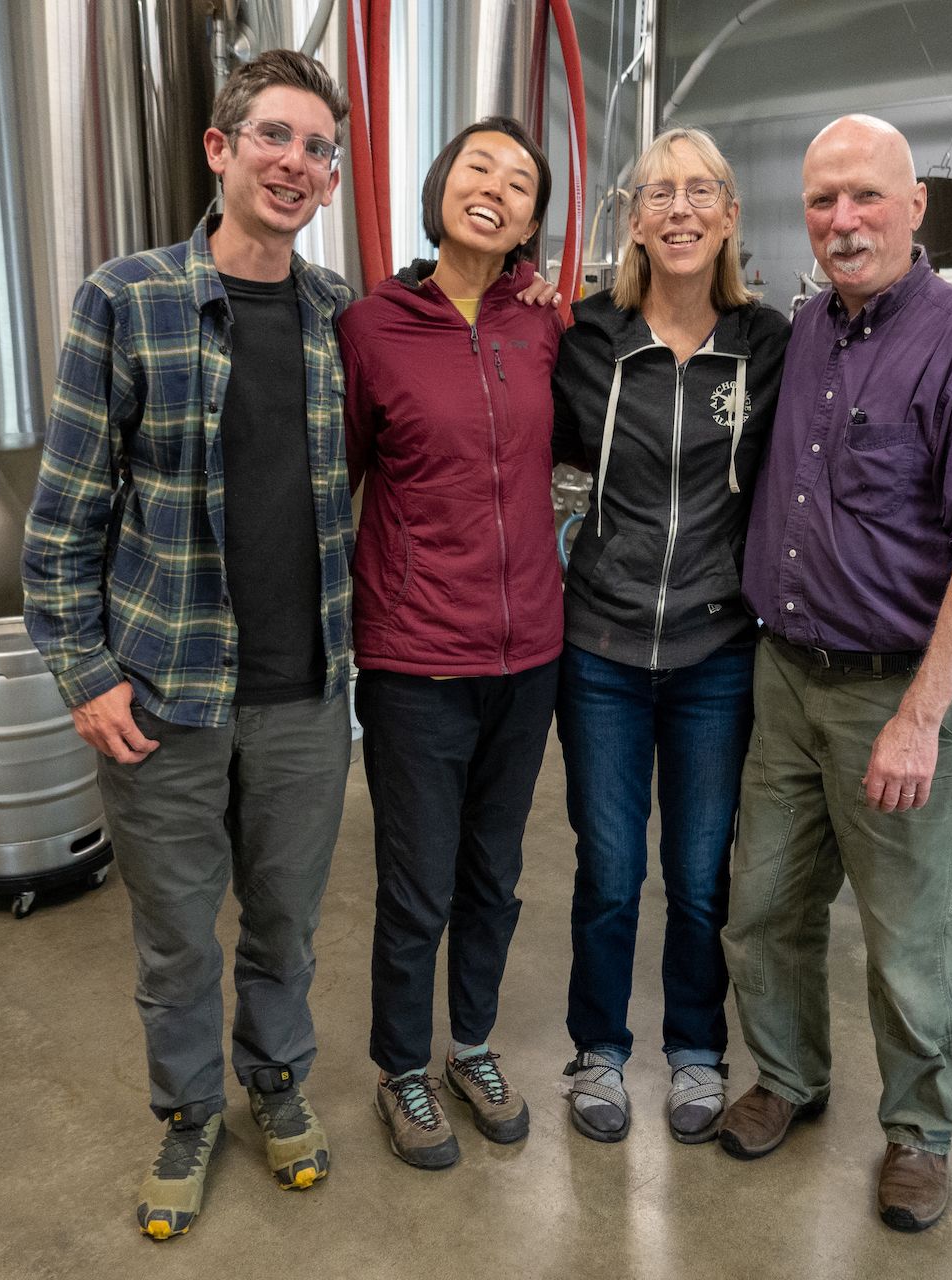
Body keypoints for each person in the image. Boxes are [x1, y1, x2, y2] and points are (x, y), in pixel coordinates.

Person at [22, 50, 356, 1240]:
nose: (296, 164)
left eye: (319, 148)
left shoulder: (333, 316)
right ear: (219, 150)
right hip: (164, 693)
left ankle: (275, 1083)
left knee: (284, 923)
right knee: (175, 937)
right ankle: (187, 1110)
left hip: (308, 693)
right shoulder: (128, 297)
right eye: (274, 136)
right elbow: (63, 516)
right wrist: (85, 672)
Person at [717, 114, 952, 1233]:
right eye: (821, 201)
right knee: (762, 905)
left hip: (894, 692)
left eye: (864, 197)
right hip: (786, 680)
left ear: (913, 207)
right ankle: (789, 1077)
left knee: (908, 936)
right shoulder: (809, 328)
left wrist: (918, 719)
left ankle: (920, 1130)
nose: (842, 221)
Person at [550, 127, 789, 1144]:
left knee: (699, 876)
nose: (680, 209)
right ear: (633, 216)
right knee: (610, 870)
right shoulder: (584, 336)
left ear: (731, 215)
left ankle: (696, 1049)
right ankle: (599, 1049)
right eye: (660, 192)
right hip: (600, 648)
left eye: (701, 192)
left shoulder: (770, 341)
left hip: (716, 654)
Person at [338, 116, 563, 1172]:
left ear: (530, 222)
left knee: (495, 872)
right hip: (417, 659)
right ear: (440, 187)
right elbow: (332, 481)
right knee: (417, 879)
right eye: (480, 166)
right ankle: (400, 1067)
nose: (497, 188)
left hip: (529, 659)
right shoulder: (371, 329)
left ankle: (471, 1044)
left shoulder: (543, 325)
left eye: (520, 182)